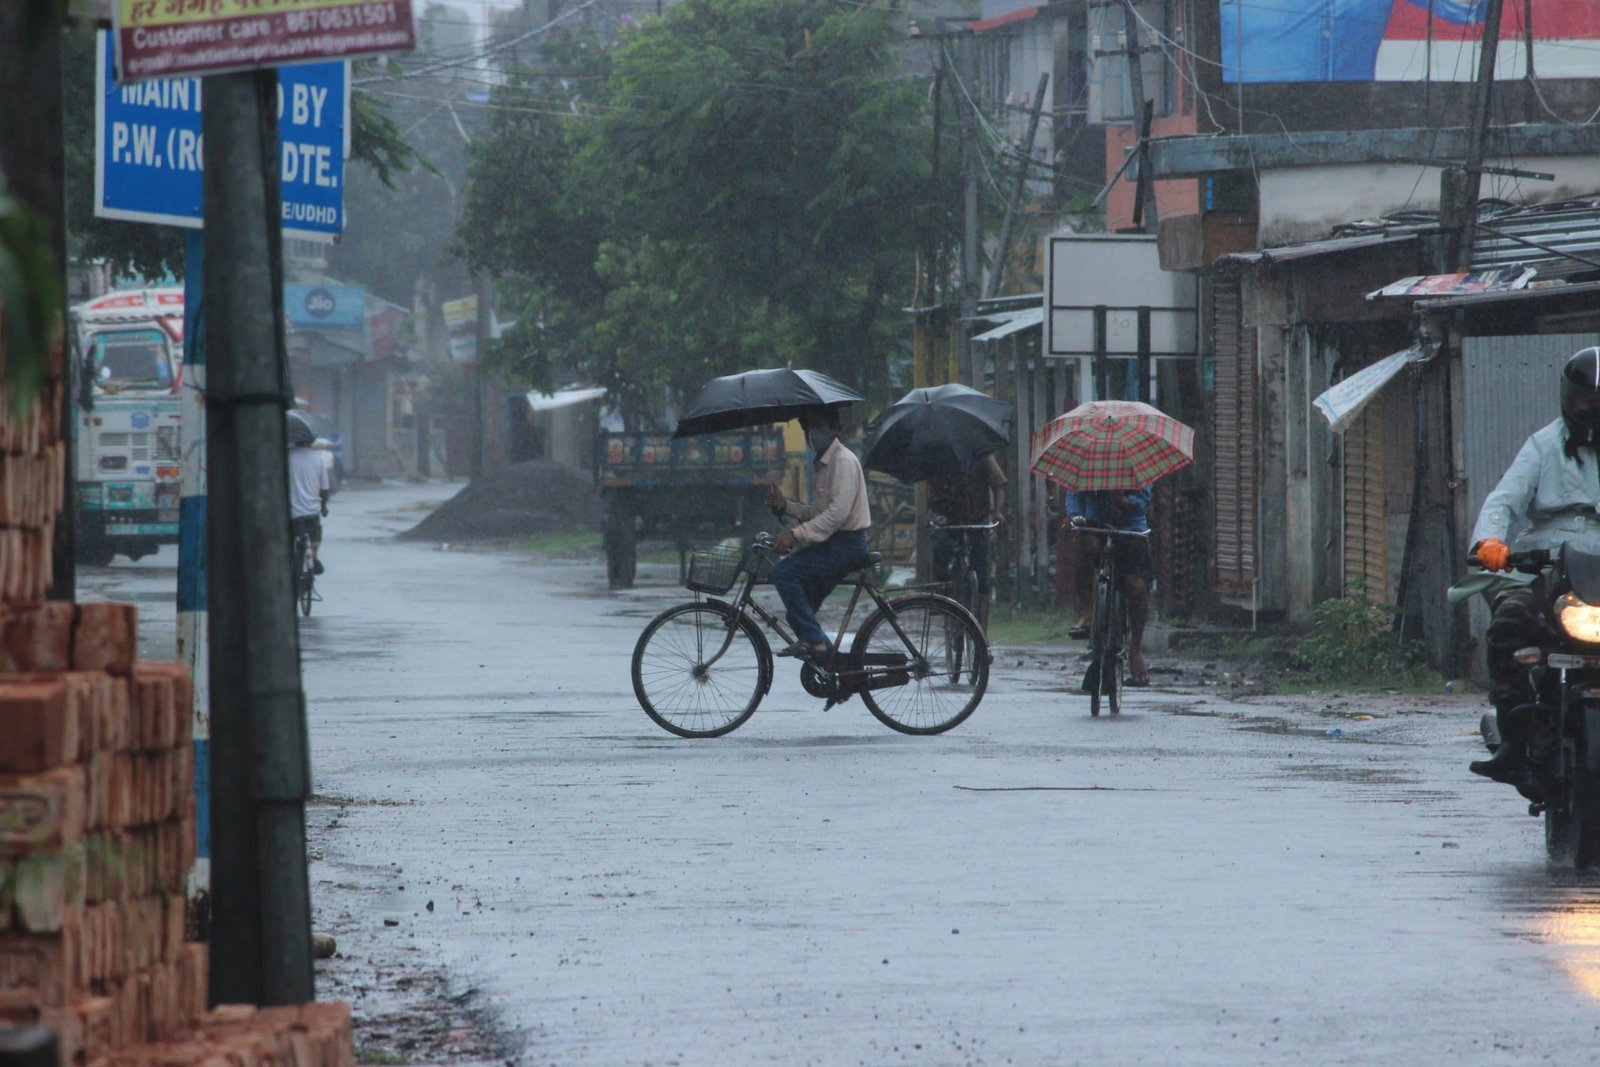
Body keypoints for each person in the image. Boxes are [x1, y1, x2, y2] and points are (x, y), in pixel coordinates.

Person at [1466, 346, 1600, 785]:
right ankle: (1515, 738)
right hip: (1546, 563)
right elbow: (1504, 500)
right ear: (1568, 398)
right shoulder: (1543, 445)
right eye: (1586, 401)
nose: (1593, 410)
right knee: (1509, 622)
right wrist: (1490, 542)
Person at [764, 405, 872, 658]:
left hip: (846, 545)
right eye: (808, 428)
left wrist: (795, 535)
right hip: (832, 545)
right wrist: (786, 506)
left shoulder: (842, 461)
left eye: (818, 426)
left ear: (834, 428)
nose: (812, 433)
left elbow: (837, 514)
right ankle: (836, 669)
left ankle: (817, 643)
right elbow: (818, 512)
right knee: (800, 613)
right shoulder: (823, 463)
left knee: (783, 573)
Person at [1063, 486, 1153, 686]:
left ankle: (1135, 648)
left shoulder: (1135, 461)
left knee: (1137, 587)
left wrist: (1126, 502)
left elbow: (1144, 502)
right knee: (1084, 547)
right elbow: (1074, 493)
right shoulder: (1088, 462)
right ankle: (1088, 612)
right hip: (1095, 525)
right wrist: (1075, 515)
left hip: (1131, 529)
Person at [927, 451, 1007, 635]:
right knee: (941, 548)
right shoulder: (935, 455)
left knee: (982, 573)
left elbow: (999, 484)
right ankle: (942, 592)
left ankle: (982, 633)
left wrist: (998, 511)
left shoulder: (982, 453)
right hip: (946, 519)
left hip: (976, 520)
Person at [288, 412, 331, 575]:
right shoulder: (317, 458)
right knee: (315, 535)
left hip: (291, 512)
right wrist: (324, 505)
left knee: (289, 540)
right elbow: (324, 489)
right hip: (312, 510)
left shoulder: (286, 456)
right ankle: (314, 556)